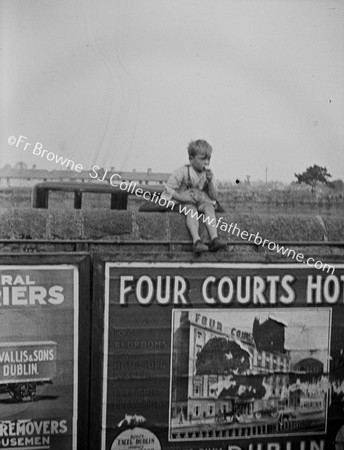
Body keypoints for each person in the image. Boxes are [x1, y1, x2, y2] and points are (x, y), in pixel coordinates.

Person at [162, 139, 227, 253]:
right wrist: (181, 197)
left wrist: (210, 181)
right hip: (182, 202)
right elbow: (168, 189)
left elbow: (213, 196)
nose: (206, 162)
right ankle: (196, 240)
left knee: (209, 207)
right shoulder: (182, 171)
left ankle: (214, 238)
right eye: (202, 159)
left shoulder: (208, 175)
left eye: (208, 159)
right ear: (191, 159)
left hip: (199, 202)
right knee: (191, 210)